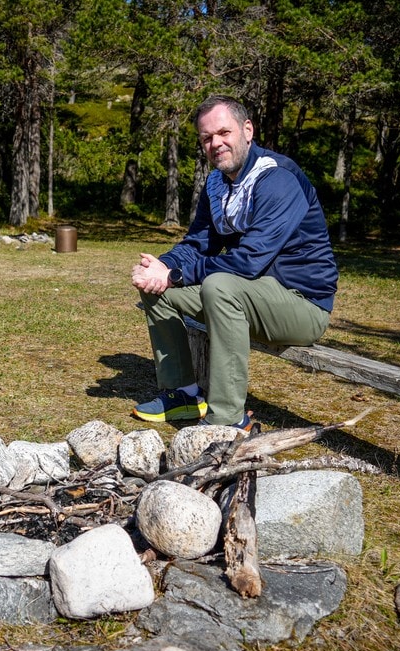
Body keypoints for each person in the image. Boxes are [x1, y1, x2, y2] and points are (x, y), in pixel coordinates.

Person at [130, 95, 338, 428]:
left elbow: (249, 262)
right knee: (158, 289)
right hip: (252, 295)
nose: (216, 143)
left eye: (223, 133)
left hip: (303, 305)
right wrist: (161, 268)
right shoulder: (216, 183)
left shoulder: (278, 178)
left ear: (247, 130)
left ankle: (227, 420)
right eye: (206, 138)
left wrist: (177, 274)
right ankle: (183, 394)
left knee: (220, 286)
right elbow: (199, 243)